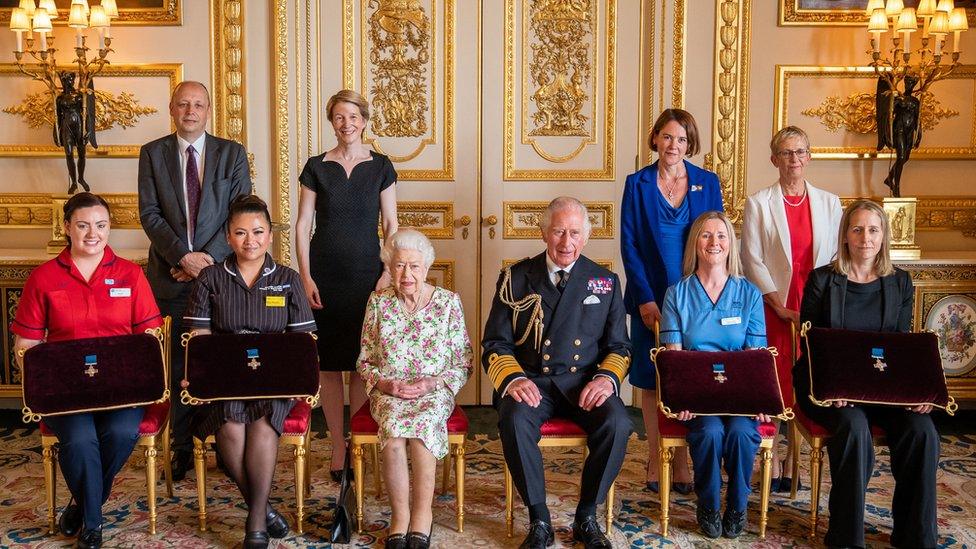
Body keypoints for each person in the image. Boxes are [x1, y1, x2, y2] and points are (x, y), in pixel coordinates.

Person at [12, 192, 163, 549]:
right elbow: (27, 342)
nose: (92, 233)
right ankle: (93, 524)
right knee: (80, 441)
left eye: (101, 225)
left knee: (123, 431)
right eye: (82, 225)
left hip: (122, 388)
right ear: (67, 227)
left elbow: (149, 337)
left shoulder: (130, 273)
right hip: (67, 393)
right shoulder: (44, 278)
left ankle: (81, 503)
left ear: (110, 227)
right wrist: (28, 357)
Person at [483, 197, 632, 549]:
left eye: (575, 233)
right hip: (532, 382)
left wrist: (605, 379)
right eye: (559, 231)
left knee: (619, 423)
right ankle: (539, 520)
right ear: (543, 233)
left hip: (584, 384)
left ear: (586, 236)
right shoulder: (515, 278)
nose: (567, 242)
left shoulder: (605, 281)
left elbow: (620, 348)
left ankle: (586, 516)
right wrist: (514, 378)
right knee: (515, 420)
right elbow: (495, 344)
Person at [793, 199, 938, 548]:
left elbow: (901, 348)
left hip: (884, 390)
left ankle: (915, 537)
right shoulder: (822, 280)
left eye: (873, 230)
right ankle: (846, 537)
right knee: (854, 428)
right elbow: (811, 345)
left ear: (883, 236)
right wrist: (831, 388)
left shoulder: (900, 283)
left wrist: (917, 396)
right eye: (857, 229)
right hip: (828, 388)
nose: (865, 237)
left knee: (923, 432)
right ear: (845, 236)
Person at [182, 195, 316, 549]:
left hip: (274, 384)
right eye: (240, 233)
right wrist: (196, 372)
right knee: (230, 423)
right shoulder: (211, 278)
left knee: (262, 423)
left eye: (258, 232)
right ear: (228, 236)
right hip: (226, 384)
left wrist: (296, 379)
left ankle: (255, 523)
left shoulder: (287, 279)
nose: (250, 240)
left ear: (270, 235)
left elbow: (302, 340)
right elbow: (200, 339)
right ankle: (266, 511)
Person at [138, 80, 252, 481]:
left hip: (220, 278)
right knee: (177, 364)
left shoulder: (232, 154)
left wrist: (205, 263)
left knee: (220, 361)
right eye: (183, 104)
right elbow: (149, 214)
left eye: (198, 104)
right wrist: (181, 257)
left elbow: (241, 214)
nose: (191, 110)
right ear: (172, 108)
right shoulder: (152, 153)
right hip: (169, 276)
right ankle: (182, 448)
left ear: (208, 110)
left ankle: (224, 443)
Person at [295, 89, 398, 480]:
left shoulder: (382, 166)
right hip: (324, 273)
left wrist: (387, 271)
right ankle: (338, 446)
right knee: (328, 364)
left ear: (364, 120)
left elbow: (390, 224)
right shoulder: (316, 167)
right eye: (339, 117)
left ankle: (356, 438)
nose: (347, 124)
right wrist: (305, 276)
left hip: (367, 276)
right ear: (331, 121)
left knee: (359, 362)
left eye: (353, 116)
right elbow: (304, 224)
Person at [620, 108, 723, 494]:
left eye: (681, 139)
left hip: (697, 297)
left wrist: (710, 293)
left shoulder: (706, 182)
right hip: (651, 297)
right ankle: (658, 456)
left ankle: (688, 455)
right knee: (651, 379)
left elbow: (716, 238)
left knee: (692, 374)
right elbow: (629, 245)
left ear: (689, 143)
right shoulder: (637, 183)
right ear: (655, 139)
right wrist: (645, 299)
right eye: (667, 137)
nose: (673, 145)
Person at [357, 229, 472, 549]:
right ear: (389, 267)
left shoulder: (448, 303)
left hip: (433, 390)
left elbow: (464, 362)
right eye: (398, 266)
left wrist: (434, 383)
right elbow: (364, 361)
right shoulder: (378, 303)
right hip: (390, 389)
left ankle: (423, 516)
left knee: (422, 431)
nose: (406, 274)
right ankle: (400, 517)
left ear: (427, 267)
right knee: (393, 434)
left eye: (414, 267)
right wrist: (384, 383)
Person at [741, 125, 842, 491]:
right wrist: (779, 305)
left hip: (815, 307)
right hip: (774, 306)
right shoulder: (759, 203)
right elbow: (750, 259)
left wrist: (814, 307)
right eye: (786, 153)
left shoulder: (830, 203)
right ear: (774, 160)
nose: (794, 159)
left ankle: (793, 461)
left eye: (800, 152)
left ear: (809, 157)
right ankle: (768, 457)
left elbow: (835, 259)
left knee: (810, 382)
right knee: (776, 382)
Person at [659, 211, 768, 539]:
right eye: (706, 235)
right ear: (695, 243)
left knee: (739, 433)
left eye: (721, 235)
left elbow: (756, 357)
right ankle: (707, 504)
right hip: (697, 399)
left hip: (739, 398)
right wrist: (682, 398)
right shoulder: (676, 294)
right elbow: (673, 358)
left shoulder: (748, 294)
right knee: (709, 434)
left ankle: (737, 506)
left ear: (730, 244)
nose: (714, 242)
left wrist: (759, 400)